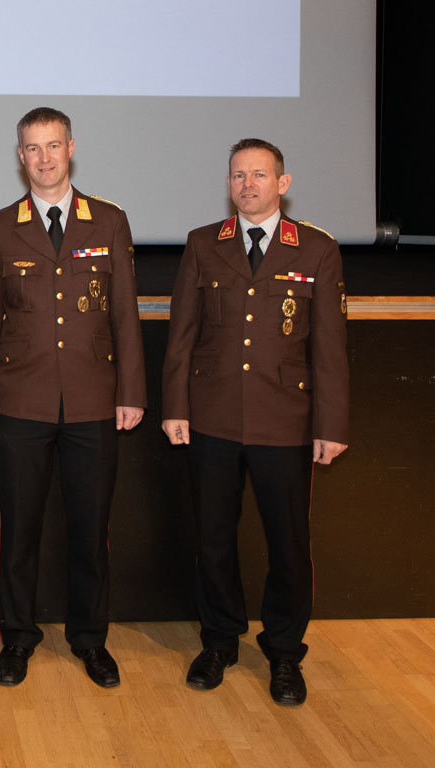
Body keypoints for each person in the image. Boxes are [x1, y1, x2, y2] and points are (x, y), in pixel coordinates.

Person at [161, 138, 349, 706]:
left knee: (288, 542)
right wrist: (175, 407)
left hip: (284, 420)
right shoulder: (203, 244)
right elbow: (182, 335)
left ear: (282, 184)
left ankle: (285, 651)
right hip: (213, 416)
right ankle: (219, 641)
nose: (248, 185)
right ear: (229, 184)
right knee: (214, 539)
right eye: (239, 175)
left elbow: (330, 348)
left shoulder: (316, 249)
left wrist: (331, 424)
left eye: (260, 175)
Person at [0, 107, 146, 687]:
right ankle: (17, 638)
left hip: (94, 401)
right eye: (32, 148)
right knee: (18, 531)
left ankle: (90, 639)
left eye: (53, 146)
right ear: (20, 155)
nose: (43, 158)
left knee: (90, 531)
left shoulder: (110, 221)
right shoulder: (0, 227)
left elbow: (125, 316)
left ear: (71, 148)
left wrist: (131, 392)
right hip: (20, 402)